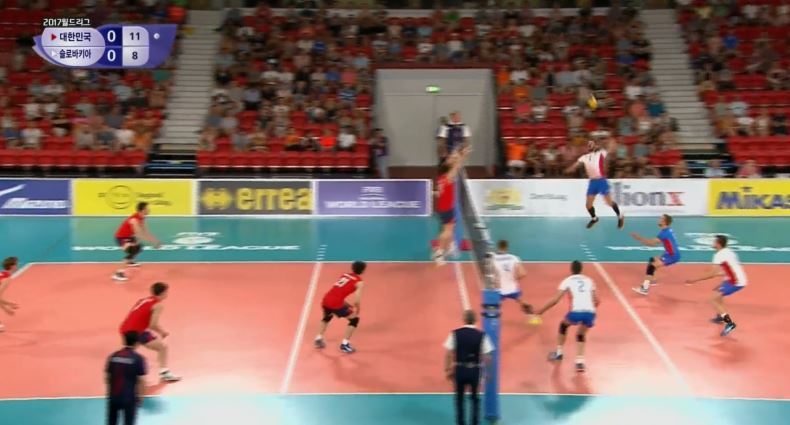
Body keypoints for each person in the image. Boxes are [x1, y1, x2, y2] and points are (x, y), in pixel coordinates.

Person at [534, 260, 599, 372]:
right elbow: (596, 301)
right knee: (580, 334)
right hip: (590, 312)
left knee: (563, 325)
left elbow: (555, 300)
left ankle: (559, 353)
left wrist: (540, 311)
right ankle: (580, 362)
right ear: (581, 269)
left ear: (571, 269)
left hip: (576, 312)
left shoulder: (567, 281)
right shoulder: (589, 280)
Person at [685, 235, 747, 336]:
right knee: (717, 293)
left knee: (713, 299)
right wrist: (719, 277)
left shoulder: (719, 255)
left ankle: (729, 323)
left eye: (714, 242)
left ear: (718, 244)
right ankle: (720, 317)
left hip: (735, 281)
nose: (712, 243)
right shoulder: (729, 252)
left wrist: (694, 280)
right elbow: (729, 269)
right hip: (734, 278)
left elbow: (711, 274)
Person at [119, 282, 181, 382]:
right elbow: (153, 324)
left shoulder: (143, 300)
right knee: (162, 348)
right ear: (163, 293)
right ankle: (165, 373)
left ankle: (123, 374)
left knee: (129, 352)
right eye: (166, 292)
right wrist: (162, 332)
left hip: (125, 328)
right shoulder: (158, 305)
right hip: (137, 331)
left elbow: (136, 315)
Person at [444, 310, 494, 425]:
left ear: (464, 319)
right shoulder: (482, 335)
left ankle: (461, 422)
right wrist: (488, 372)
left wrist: (448, 369)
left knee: (459, 399)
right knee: (475, 399)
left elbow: (448, 354)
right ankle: (474, 422)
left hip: (460, 370)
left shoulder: (455, 334)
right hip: (475, 371)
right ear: (475, 320)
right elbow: (488, 357)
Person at [564, 137, 624, 229]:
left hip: (601, 181)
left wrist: (612, 141)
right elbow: (575, 165)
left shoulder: (601, 153)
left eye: (592, 144)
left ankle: (620, 216)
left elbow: (610, 149)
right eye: (589, 144)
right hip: (592, 183)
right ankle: (594, 218)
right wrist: (568, 170)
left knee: (609, 202)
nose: (590, 145)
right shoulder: (584, 157)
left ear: (595, 146)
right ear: (587, 147)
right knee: (588, 205)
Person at [314, 261, 366, 353]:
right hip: (336, 303)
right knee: (354, 319)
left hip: (326, 298)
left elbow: (337, 292)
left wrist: (346, 304)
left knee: (327, 317)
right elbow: (357, 301)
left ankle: (318, 338)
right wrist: (358, 308)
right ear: (363, 270)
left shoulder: (344, 275)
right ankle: (345, 344)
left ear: (352, 268)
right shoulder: (359, 282)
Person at [433, 147, 471, 265]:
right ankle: (439, 253)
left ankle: (449, 247)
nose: (449, 160)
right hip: (446, 208)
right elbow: (457, 166)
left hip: (443, 207)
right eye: (447, 161)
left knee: (450, 228)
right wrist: (462, 155)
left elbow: (455, 165)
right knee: (447, 231)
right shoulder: (448, 177)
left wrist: (456, 156)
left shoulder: (441, 177)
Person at [630, 214, 681, 295]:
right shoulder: (667, 230)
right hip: (668, 253)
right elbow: (653, 243)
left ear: (664, 222)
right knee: (652, 260)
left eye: (661, 219)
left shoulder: (664, 233)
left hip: (672, 256)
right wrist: (647, 242)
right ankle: (652, 280)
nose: (659, 219)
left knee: (652, 267)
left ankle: (644, 289)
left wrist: (638, 238)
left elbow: (650, 242)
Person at [106, 331, 147, 425]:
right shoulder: (138, 358)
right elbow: (141, 381)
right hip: (129, 398)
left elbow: (108, 377)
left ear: (124, 341)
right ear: (137, 343)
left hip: (114, 397)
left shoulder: (113, 356)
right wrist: (141, 397)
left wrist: (110, 393)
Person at [113, 202, 161, 282]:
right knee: (132, 250)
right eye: (147, 208)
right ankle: (118, 273)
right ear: (143, 210)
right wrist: (153, 242)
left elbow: (145, 232)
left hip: (129, 237)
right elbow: (139, 234)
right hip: (121, 238)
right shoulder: (134, 220)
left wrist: (156, 241)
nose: (149, 210)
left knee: (139, 247)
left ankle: (130, 261)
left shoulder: (142, 218)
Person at [491, 240, 532, 315]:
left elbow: (491, 273)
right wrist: (514, 278)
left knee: (494, 304)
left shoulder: (493, 258)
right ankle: (530, 314)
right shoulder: (514, 258)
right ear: (507, 247)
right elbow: (523, 273)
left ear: (498, 247)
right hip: (512, 288)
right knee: (520, 300)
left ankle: (493, 317)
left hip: (499, 289)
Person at [0, 256, 20, 332]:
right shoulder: (6, 279)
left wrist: (7, 307)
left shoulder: (3, 273)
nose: (18, 265)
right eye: (16, 264)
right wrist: (8, 305)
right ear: (12, 266)